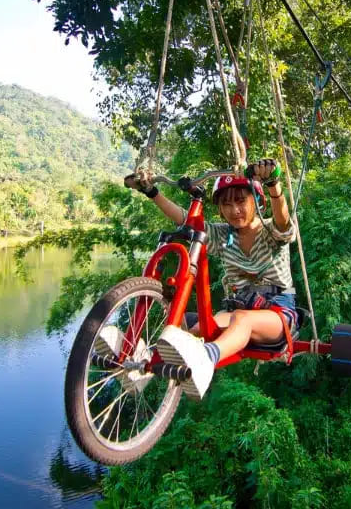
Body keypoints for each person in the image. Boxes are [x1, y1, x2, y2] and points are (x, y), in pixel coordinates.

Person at [118, 158, 298, 400]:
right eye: (226, 204)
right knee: (193, 331)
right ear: (220, 210)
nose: (235, 210)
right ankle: (141, 364)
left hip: (277, 313)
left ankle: (206, 359)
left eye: (241, 201)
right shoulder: (223, 236)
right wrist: (151, 192)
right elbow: (184, 218)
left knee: (242, 320)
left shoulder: (271, 230)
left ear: (256, 201)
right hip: (238, 308)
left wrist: (273, 184)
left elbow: (284, 221)